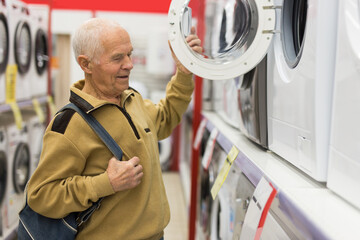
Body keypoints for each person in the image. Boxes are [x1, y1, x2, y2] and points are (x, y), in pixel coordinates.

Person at [25, 18, 202, 240]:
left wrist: (184, 73)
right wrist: (105, 183)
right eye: (118, 57)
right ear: (86, 64)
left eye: (129, 54)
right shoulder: (70, 125)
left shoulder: (131, 99)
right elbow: (41, 195)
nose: (129, 64)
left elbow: (164, 120)